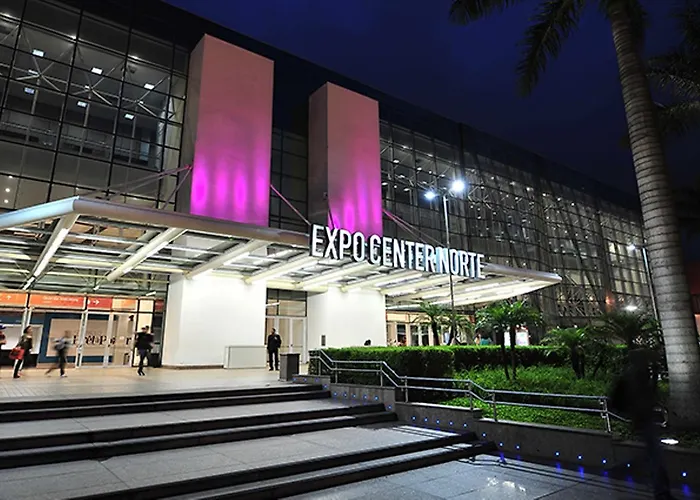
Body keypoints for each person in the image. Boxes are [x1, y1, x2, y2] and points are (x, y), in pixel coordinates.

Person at [610, 349, 675, 500]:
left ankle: (660, 491)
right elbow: (643, 397)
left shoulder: (639, 373)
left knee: (652, 455)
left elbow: (649, 394)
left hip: (644, 419)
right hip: (643, 419)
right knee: (655, 456)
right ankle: (661, 492)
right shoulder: (635, 375)